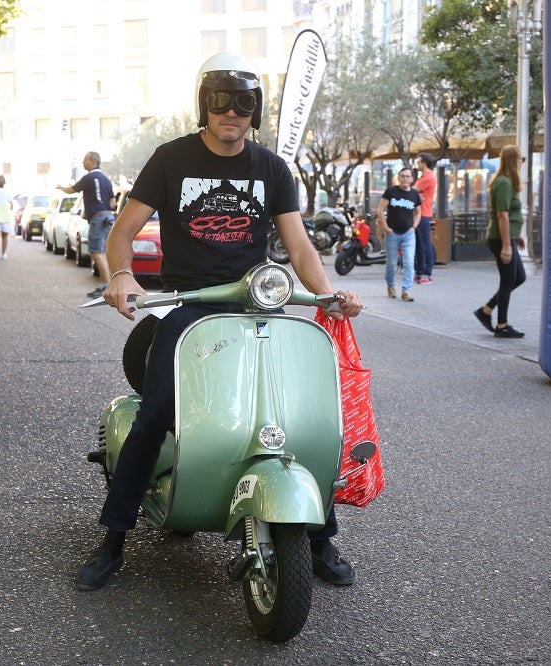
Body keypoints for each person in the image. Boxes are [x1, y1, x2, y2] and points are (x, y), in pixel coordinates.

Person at [74, 51, 364, 592]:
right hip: (191, 306)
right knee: (158, 410)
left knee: (298, 416)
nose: (231, 113)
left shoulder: (272, 168)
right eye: (220, 102)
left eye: (244, 103)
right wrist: (121, 274)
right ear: (204, 106)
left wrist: (327, 296)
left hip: (258, 306)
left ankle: (319, 535)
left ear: (256, 111)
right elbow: (122, 231)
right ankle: (113, 538)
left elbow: (298, 244)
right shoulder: (170, 159)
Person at [474, 144, 527, 338]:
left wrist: (516, 235)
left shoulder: (506, 183)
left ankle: (486, 310)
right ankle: (502, 325)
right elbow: (502, 215)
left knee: (518, 278)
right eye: (521, 158)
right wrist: (506, 246)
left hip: (507, 237)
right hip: (500, 239)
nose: (522, 162)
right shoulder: (503, 183)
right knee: (508, 281)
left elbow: (509, 216)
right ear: (513, 160)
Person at [58, 151, 115, 299]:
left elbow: (71, 190)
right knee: (103, 251)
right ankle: (104, 284)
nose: (83, 163)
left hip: (98, 218)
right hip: (108, 217)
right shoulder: (106, 180)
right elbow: (113, 203)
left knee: (96, 251)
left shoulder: (89, 177)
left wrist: (60, 187)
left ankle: (106, 286)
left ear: (93, 162)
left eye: (85, 160)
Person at [376, 167, 421, 302]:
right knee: (391, 263)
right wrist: (386, 227)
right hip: (392, 233)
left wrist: (414, 227)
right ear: (399, 178)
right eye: (402, 176)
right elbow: (380, 209)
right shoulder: (391, 191)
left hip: (408, 234)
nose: (405, 179)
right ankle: (391, 286)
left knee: (409, 263)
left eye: (407, 176)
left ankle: (406, 291)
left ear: (412, 179)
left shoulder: (414, 194)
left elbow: (418, 212)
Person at [413, 153, 437, 284]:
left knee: (425, 244)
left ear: (424, 163)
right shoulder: (424, 177)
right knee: (418, 244)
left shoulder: (428, 177)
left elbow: (410, 191)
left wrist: (414, 193)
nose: (417, 164)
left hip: (424, 214)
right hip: (419, 213)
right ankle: (419, 271)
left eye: (419, 162)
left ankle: (427, 273)